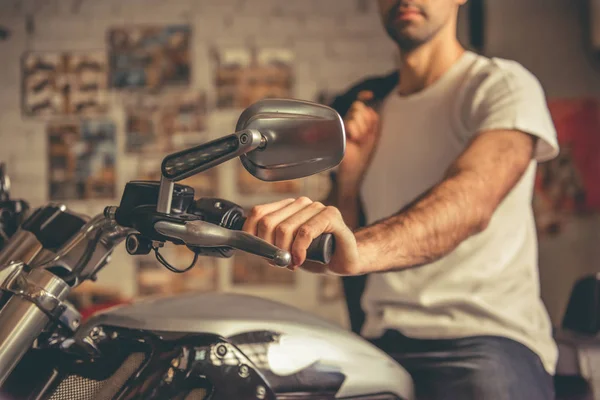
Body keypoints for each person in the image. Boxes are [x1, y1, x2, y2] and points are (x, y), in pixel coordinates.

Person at [242, 0, 559, 398]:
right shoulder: (364, 108)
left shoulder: (501, 86)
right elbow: (342, 251)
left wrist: (359, 248)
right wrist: (351, 182)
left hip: (483, 341)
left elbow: (470, 202)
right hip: (382, 341)